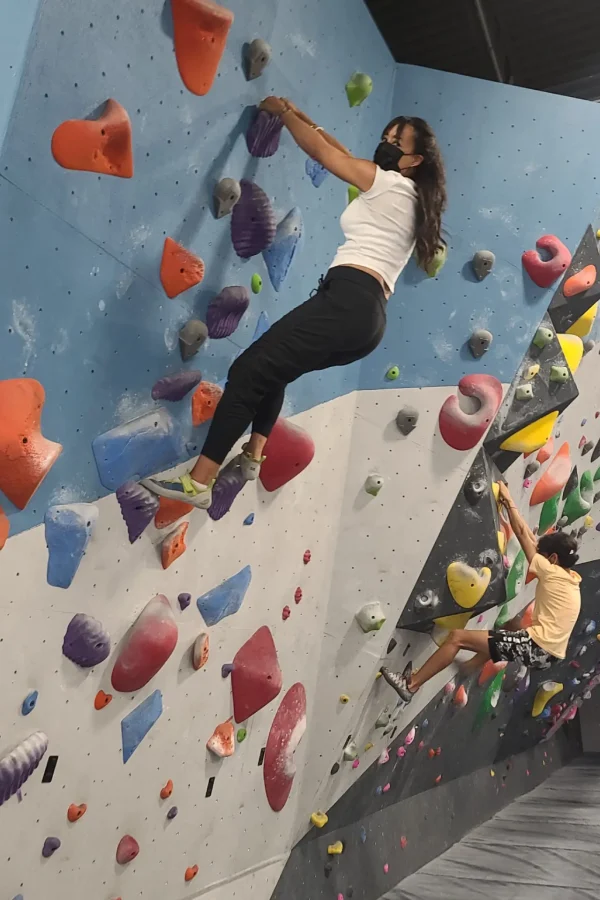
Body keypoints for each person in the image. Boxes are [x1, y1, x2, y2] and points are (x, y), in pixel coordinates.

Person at [142, 99, 447, 508]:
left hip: (348, 303)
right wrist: (300, 114)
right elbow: (338, 151)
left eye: (396, 142)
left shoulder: (389, 184)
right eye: (385, 138)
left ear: (414, 160)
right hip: (364, 317)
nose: (386, 145)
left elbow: (326, 155)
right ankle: (253, 455)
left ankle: (199, 482)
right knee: (275, 369)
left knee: (248, 370)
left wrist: (284, 117)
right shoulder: (406, 197)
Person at [381, 481, 582, 703]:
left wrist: (507, 498)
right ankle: (471, 664)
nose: (538, 557)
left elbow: (524, 535)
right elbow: (532, 542)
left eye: (543, 555)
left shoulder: (552, 572)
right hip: (547, 653)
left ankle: (411, 685)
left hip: (536, 647)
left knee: (457, 638)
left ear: (553, 559)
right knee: (509, 628)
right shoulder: (570, 580)